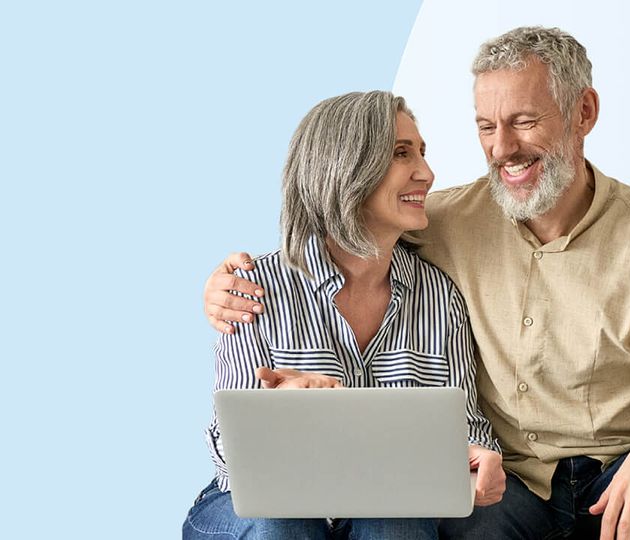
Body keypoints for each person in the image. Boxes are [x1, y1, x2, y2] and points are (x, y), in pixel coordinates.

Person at [203, 27, 630, 540]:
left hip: (620, 478)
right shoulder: (432, 222)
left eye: (524, 120)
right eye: (486, 126)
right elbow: (348, 222)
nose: (502, 148)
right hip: (511, 491)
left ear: (583, 112)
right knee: (399, 514)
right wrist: (226, 282)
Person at [184, 91, 505, 540]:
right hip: (251, 509)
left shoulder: (438, 297)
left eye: (422, 153)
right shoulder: (256, 288)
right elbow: (228, 453)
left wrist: (478, 456)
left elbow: (465, 424)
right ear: (345, 167)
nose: (427, 174)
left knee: (397, 519)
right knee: (285, 520)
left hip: (383, 503)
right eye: (400, 153)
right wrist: (278, 414)